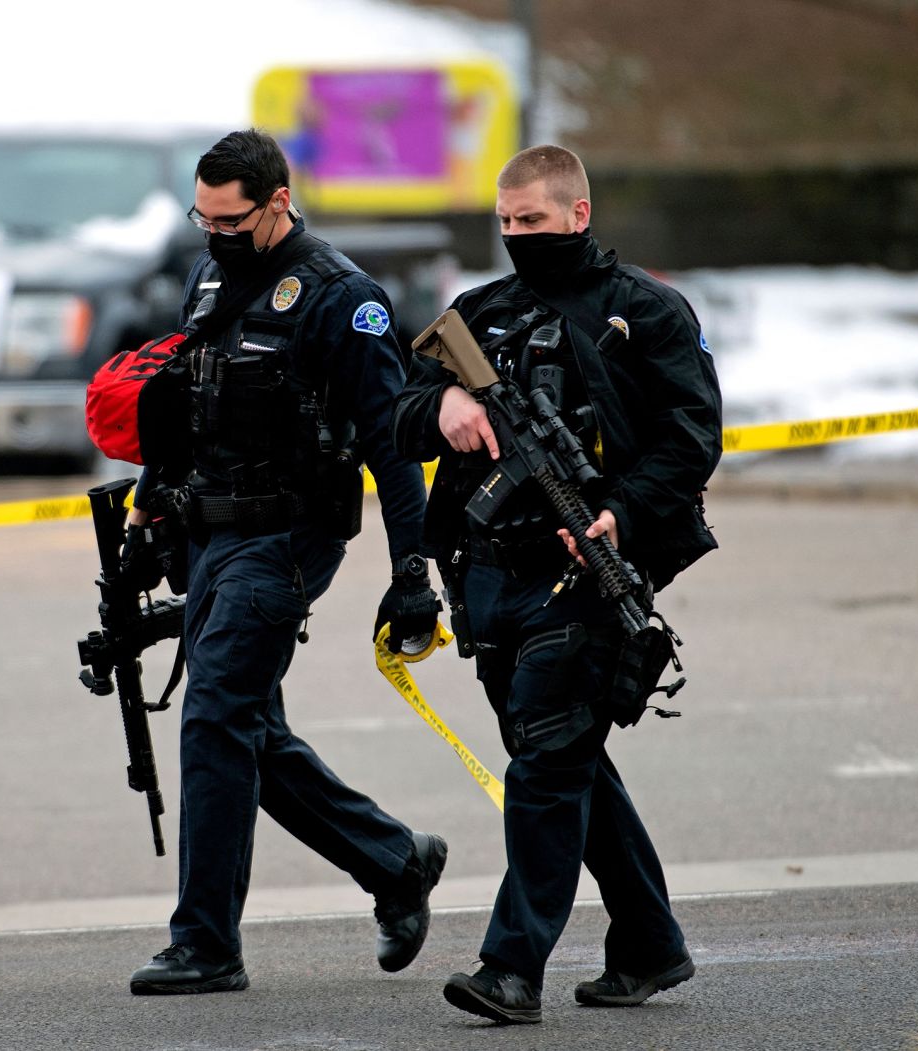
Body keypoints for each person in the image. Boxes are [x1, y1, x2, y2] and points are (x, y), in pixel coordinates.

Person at [390, 144, 721, 1024]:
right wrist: (443, 407)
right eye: (504, 223)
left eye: (531, 220)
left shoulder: (642, 311)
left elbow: (692, 438)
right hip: (490, 579)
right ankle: (650, 942)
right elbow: (393, 417)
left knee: (545, 767)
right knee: (566, 762)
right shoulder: (479, 313)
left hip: (586, 574)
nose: (516, 236)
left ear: (578, 214)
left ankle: (511, 967)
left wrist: (624, 514)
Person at [121, 129, 448, 996]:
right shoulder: (208, 277)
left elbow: (394, 446)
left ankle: (205, 944)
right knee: (249, 731)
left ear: (278, 200)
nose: (214, 235)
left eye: (231, 220)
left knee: (214, 713)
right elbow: (187, 404)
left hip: (291, 537)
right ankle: (396, 860)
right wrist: (150, 501)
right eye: (203, 218)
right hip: (210, 535)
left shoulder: (345, 300)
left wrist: (412, 572)